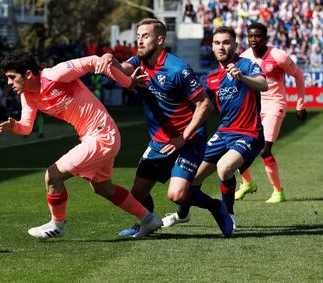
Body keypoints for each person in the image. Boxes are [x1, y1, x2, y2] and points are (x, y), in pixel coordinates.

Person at [0, 49, 163, 239]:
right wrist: (14, 126)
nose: (9, 82)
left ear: (28, 74)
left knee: (52, 176)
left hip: (101, 135)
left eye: (12, 77)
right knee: (103, 188)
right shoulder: (27, 96)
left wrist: (128, 82)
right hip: (96, 137)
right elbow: (26, 127)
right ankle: (148, 219)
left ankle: (57, 225)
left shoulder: (55, 74)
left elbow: (93, 61)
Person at [95, 18, 234, 237]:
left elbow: (205, 105)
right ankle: (146, 221)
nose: (140, 41)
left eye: (146, 36)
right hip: (160, 141)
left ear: (160, 40)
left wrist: (182, 138)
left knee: (177, 195)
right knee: (137, 194)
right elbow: (120, 70)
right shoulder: (138, 62)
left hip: (188, 138)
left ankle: (216, 206)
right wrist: (109, 58)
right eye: (138, 37)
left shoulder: (177, 69)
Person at [163, 26, 268, 229]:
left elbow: (264, 85)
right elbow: (198, 105)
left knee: (224, 167)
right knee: (188, 182)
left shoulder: (246, 65)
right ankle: (182, 215)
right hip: (222, 134)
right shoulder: (211, 78)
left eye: (227, 42)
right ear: (212, 47)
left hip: (249, 133)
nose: (222, 47)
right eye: (218, 43)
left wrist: (242, 78)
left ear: (235, 45)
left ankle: (228, 214)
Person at [236, 22, 307, 203]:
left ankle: (278, 192)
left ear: (266, 38)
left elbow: (298, 75)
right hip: (253, 107)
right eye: (250, 36)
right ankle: (247, 183)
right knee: (238, 146)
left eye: (258, 36)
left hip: (275, 104)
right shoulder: (244, 57)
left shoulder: (278, 56)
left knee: (264, 150)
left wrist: (300, 104)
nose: (253, 39)